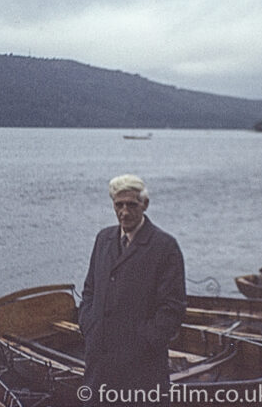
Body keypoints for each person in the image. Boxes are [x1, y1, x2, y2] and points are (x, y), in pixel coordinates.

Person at [78, 174, 186, 406]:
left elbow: (173, 308)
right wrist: (90, 325)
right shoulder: (103, 239)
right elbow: (89, 291)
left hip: (141, 369)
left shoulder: (165, 246)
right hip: (99, 364)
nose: (124, 212)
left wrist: (143, 343)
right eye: (119, 205)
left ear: (144, 205)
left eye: (131, 205)